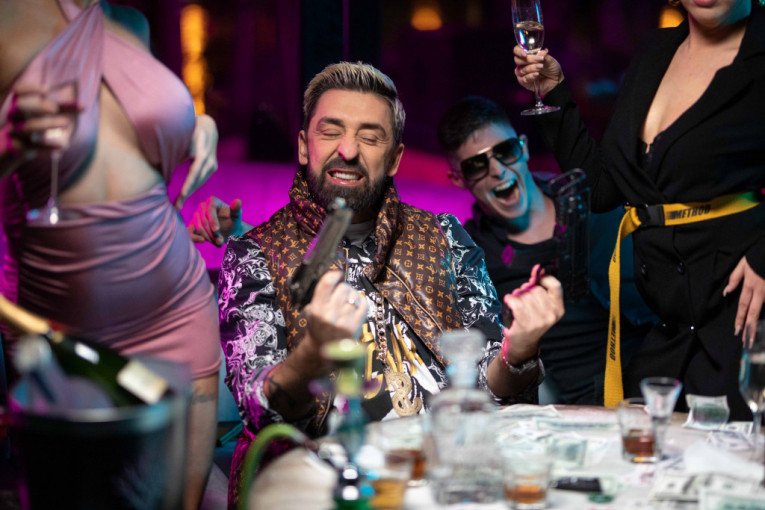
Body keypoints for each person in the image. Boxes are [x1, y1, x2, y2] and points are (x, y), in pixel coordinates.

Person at [209, 61, 564, 508]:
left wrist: (521, 349)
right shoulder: (254, 254)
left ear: (394, 157)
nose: (348, 150)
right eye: (330, 131)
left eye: (370, 137)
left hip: (449, 478)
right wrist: (313, 351)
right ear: (303, 146)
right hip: (322, 486)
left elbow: (489, 385)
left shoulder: (445, 236)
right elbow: (261, 408)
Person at [0, 1, 222, 508]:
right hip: (59, 328)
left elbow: (122, 135)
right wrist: (8, 143)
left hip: (177, 308)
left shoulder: (128, 22)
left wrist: (197, 123)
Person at [514, 0, 765, 419]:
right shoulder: (655, 51)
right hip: (670, 325)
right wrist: (553, 92)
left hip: (742, 319)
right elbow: (604, 188)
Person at [437, 96, 655, 405]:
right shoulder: (472, 258)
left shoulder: (591, 203)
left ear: (523, 147)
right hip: (567, 409)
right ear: (458, 179)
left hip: (646, 386)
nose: (498, 170)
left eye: (505, 151)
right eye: (476, 165)